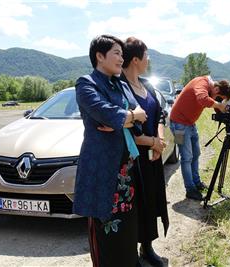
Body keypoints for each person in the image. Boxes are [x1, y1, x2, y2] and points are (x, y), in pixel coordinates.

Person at [73, 34, 147, 267]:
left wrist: (127, 117)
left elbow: (139, 118)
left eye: (122, 54)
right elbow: (106, 113)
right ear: (99, 56)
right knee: (107, 237)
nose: (121, 58)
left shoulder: (122, 84)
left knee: (128, 231)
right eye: (116, 53)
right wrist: (124, 116)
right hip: (103, 172)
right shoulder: (86, 83)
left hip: (127, 169)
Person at [120, 37, 169, 267]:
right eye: (147, 55)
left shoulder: (146, 85)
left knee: (151, 202)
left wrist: (158, 139)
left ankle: (147, 248)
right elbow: (126, 131)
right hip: (132, 162)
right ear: (136, 59)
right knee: (134, 207)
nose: (149, 59)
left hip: (151, 156)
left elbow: (159, 114)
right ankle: (131, 254)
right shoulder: (120, 89)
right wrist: (152, 142)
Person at [169, 76, 230, 201]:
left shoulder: (211, 90)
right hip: (178, 124)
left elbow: (213, 105)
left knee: (196, 154)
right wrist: (219, 105)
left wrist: (226, 111)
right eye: (219, 98)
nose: (218, 101)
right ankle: (190, 189)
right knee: (186, 157)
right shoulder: (201, 83)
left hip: (190, 123)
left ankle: (196, 183)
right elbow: (202, 98)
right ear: (216, 89)